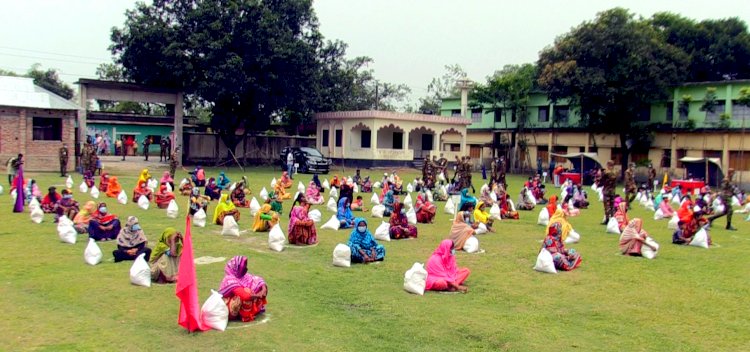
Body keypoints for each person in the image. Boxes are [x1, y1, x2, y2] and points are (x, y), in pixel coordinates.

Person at [219, 255, 268, 322]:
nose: (246, 268)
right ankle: (244, 316)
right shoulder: (229, 279)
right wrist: (258, 295)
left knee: (257, 290)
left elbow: (258, 280)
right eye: (244, 266)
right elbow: (245, 295)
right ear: (237, 268)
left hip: (241, 304)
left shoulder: (244, 276)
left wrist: (263, 290)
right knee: (246, 294)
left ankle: (251, 312)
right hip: (227, 306)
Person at [601, 160, 618, 225]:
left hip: (606, 190)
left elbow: (602, 180)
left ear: (608, 165)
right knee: (612, 205)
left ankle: (607, 219)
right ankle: (613, 218)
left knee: (606, 205)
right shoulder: (616, 172)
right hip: (613, 190)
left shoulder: (605, 172)